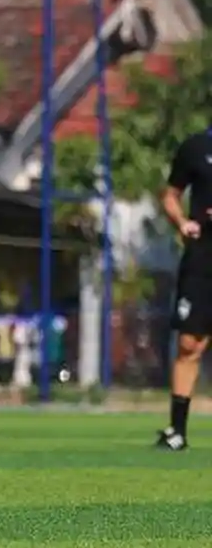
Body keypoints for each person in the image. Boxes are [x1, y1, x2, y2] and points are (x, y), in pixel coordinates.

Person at [156, 129, 212, 451]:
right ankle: (176, 431)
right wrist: (182, 222)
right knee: (190, 343)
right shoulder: (197, 146)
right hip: (202, 257)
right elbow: (170, 195)